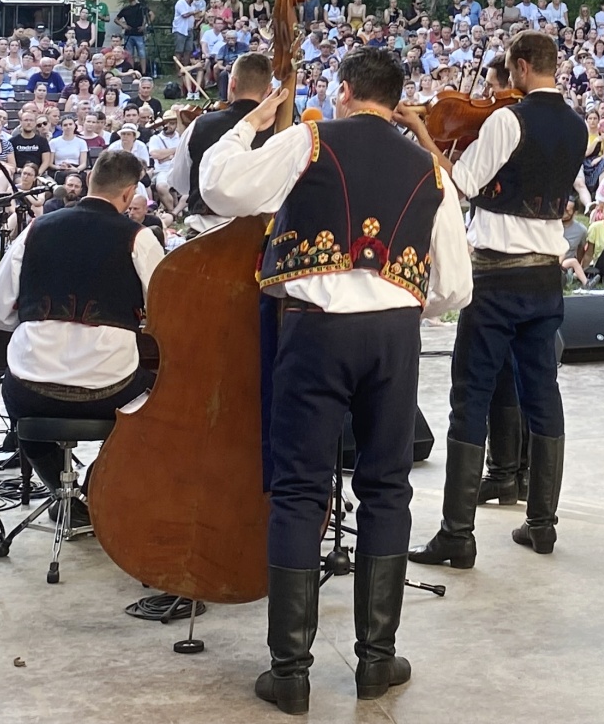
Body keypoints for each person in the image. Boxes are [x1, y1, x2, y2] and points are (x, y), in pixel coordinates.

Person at [200, 47, 473, 714]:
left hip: (315, 330)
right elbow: (455, 287)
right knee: (386, 489)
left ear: (345, 91)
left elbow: (220, 188)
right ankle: (376, 662)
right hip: (394, 337)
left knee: (300, 491)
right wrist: (398, 302)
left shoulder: (310, 139)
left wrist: (249, 123)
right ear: (395, 100)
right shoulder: (429, 169)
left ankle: (290, 672)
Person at [405, 30, 586, 570]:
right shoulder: (578, 126)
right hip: (546, 276)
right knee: (542, 393)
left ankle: (457, 534)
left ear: (523, 67)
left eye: (510, 70)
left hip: (497, 277)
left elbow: (460, 182)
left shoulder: (509, 120)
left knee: (471, 397)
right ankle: (542, 523)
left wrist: (422, 132)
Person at [0, 148, 162, 521]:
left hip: (32, 389)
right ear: (129, 193)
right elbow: (166, 309)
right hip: (109, 389)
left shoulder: (36, 229)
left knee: (15, 396)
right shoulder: (138, 237)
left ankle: (61, 494)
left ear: (89, 180)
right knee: (159, 401)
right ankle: (96, 487)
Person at [164, 51, 273, 226]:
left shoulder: (200, 124)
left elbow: (180, 183)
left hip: (204, 231)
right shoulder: (282, 131)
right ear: (268, 90)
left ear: (232, 83)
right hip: (259, 232)